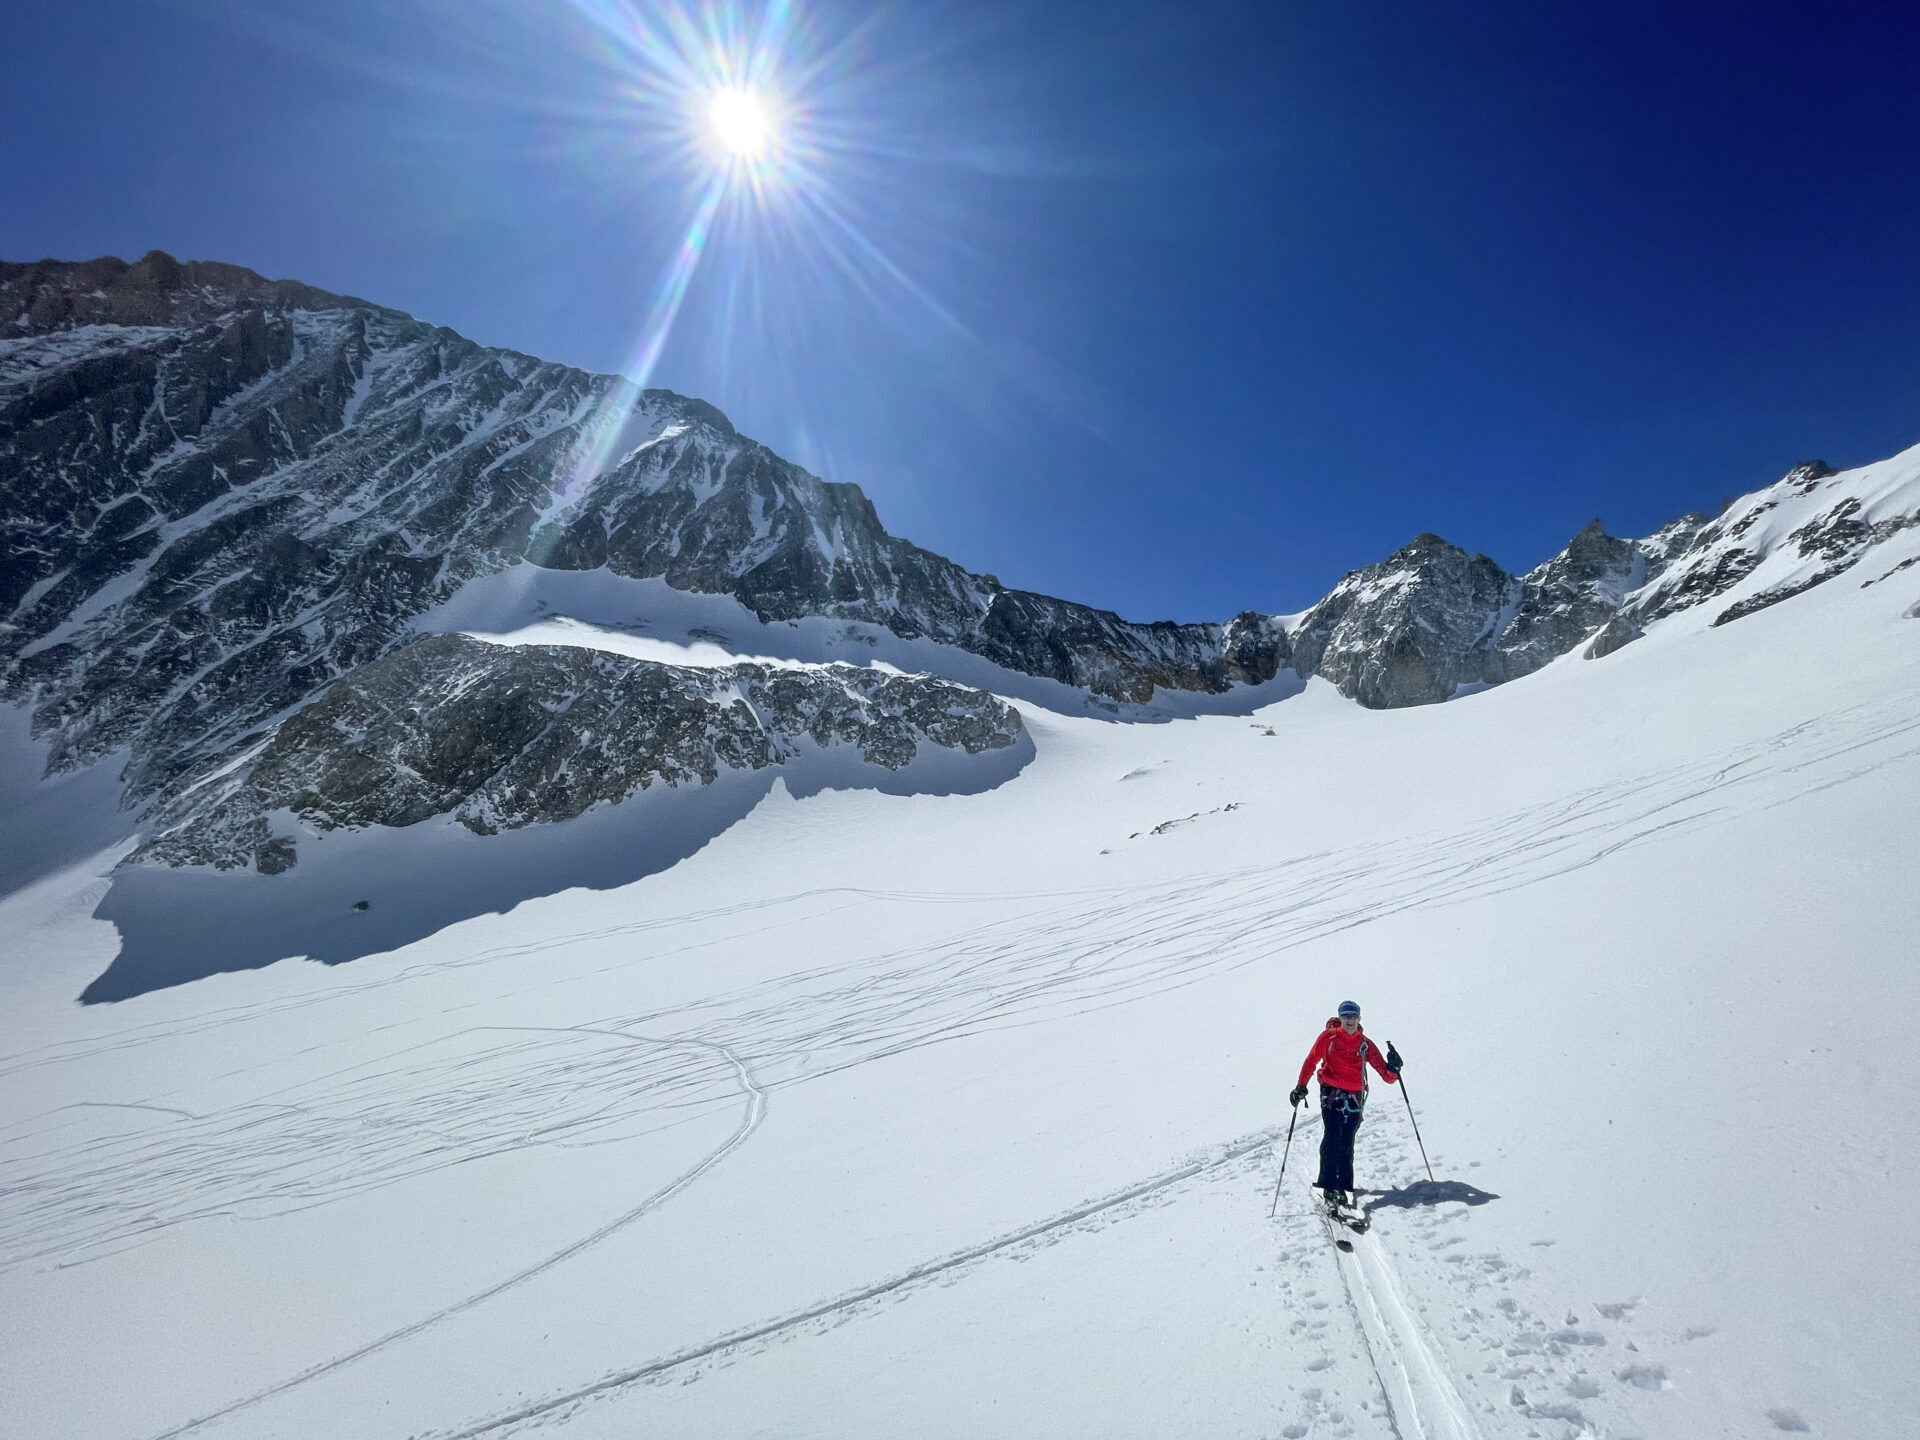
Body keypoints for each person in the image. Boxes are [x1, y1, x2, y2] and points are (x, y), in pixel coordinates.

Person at [1288, 1000, 1402, 1212]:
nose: (1350, 1020)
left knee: (1346, 1141)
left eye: (1353, 1016)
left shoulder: (1364, 1043)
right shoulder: (1328, 1037)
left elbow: (1386, 1075)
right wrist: (1300, 1085)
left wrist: (1394, 1068)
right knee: (1332, 1136)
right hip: (1331, 1093)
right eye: (1346, 1016)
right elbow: (1311, 1061)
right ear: (1340, 1018)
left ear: (1359, 1019)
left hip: (1355, 1099)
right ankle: (1329, 1187)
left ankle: (1342, 1187)